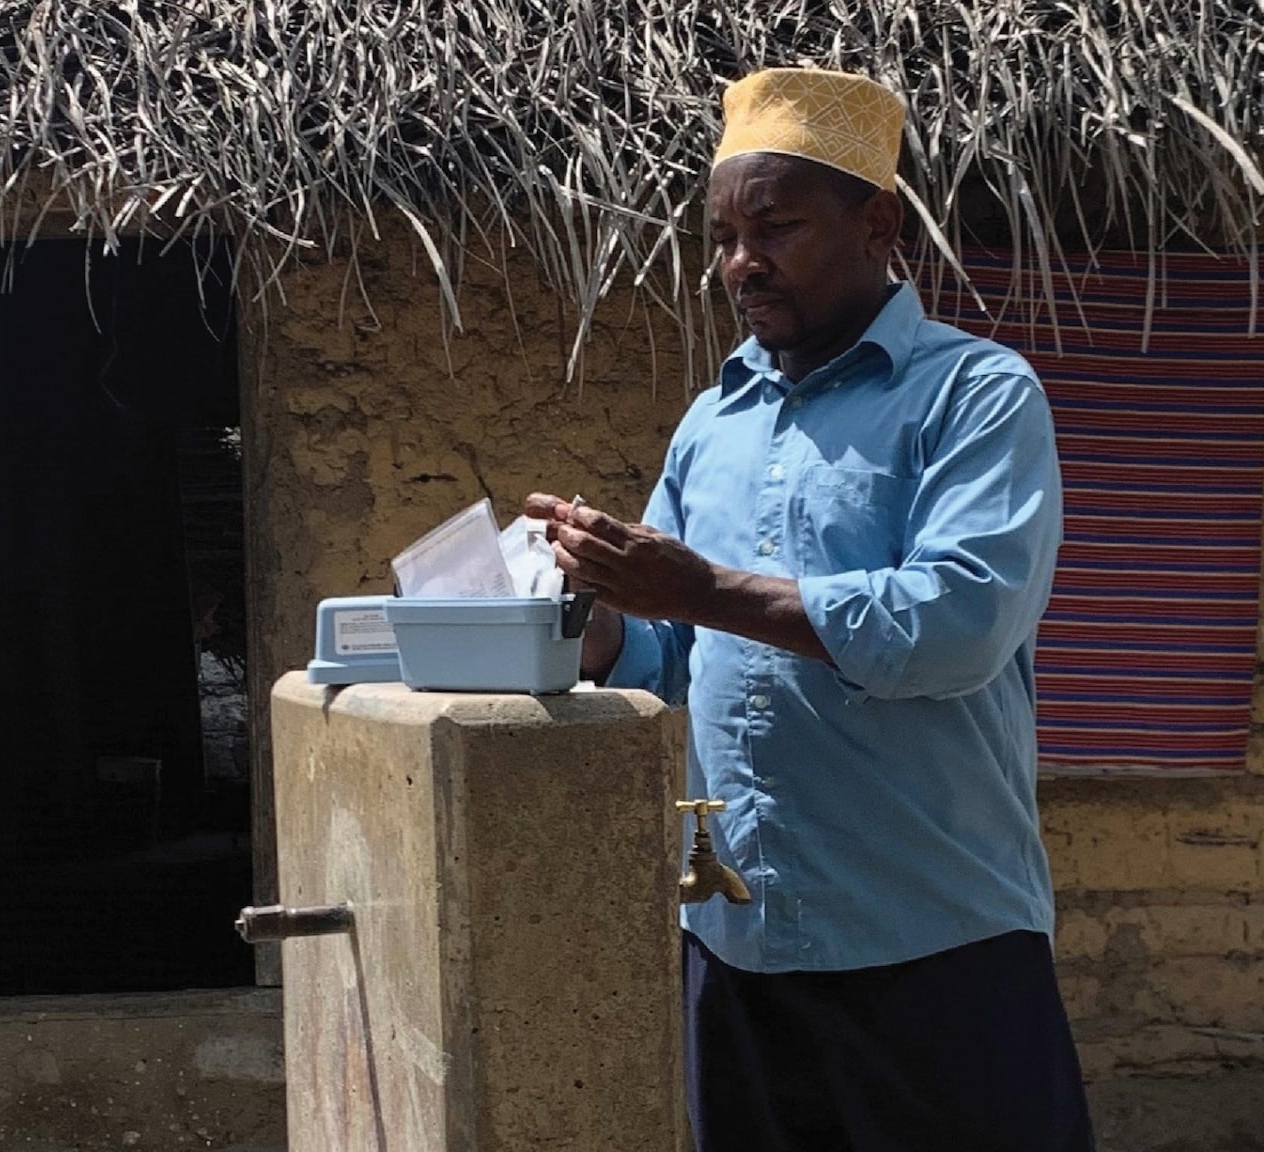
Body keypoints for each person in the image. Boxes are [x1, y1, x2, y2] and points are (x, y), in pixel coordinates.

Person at [525, 67, 1091, 1152]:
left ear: (874, 222)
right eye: (724, 235)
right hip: (739, 936)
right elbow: (673, 652)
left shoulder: (974, 395)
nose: (742, 263)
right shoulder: (713, 418)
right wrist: (592, 615)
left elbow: (953, 625)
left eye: (775, 228)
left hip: (927, 937)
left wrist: (695, 588)